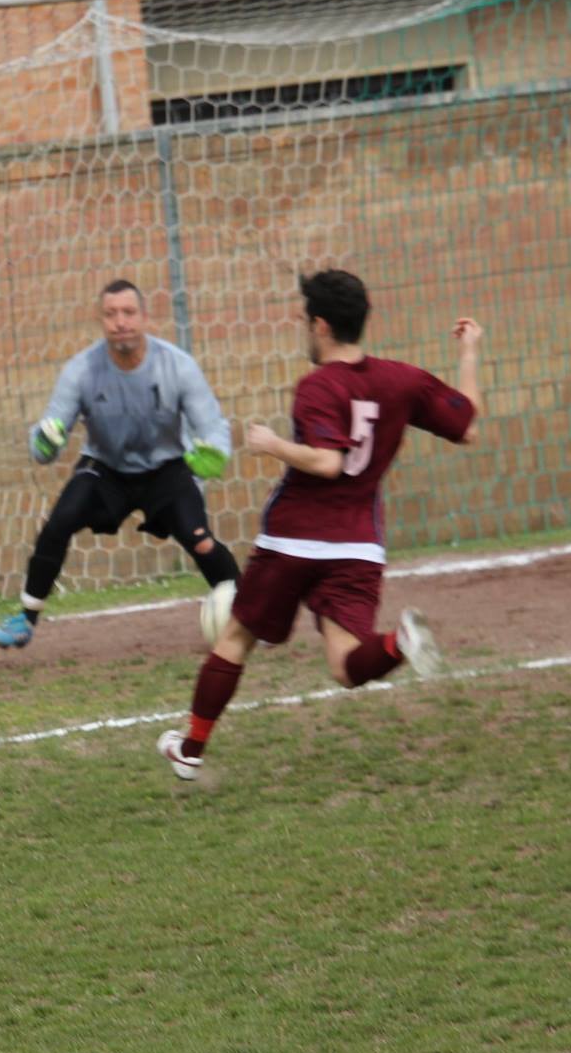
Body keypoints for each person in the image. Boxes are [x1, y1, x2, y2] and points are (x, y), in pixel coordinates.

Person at [157, 269, 484, 780]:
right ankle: (400, 642)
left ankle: (192, 749)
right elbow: (466, 426)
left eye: (305, 322)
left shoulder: (317, 386)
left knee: (237, 637)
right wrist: (469, 353)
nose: (303, 330)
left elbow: (328, 462)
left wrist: (273, 445)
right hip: (357, 547)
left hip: (294, 539)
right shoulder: (402, 380)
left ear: (322, 326)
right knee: (346, 664)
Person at [0, 279, 240, 649]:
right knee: (59, 521)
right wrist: (45, 440)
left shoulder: (178, 367)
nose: (120, 322)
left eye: (128, 312)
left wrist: (215, 454)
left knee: (201, 541)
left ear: (144, 317)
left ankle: (250, 617)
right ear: (100, 320)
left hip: (166, 470)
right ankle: (24, 619)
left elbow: (213, 427)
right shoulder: (81, 370)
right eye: (110, 314)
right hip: (106, 470)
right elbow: (44, 443)